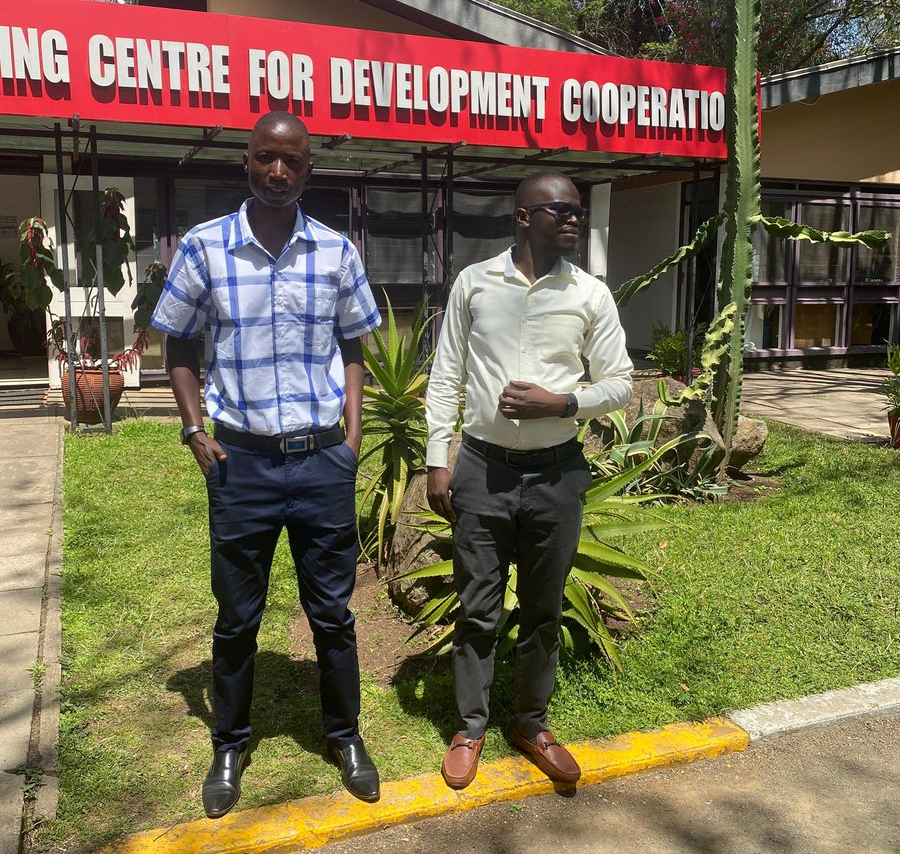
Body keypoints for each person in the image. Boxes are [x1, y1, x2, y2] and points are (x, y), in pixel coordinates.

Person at [152, 112, 382, 817]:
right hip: (241, 464)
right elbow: (179, 347)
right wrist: (196, 431)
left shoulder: (337, 251)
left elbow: (354, 347)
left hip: (320, 462)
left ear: (309, 170)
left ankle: (344, 736)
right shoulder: (205, 248)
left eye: (292, 162)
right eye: (264, 159)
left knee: (333, 615)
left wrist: (351, 436)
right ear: (245, 163)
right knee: (237, 616)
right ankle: (230, 742)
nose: (278, 172)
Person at [425, 171, 633, 790]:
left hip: (556, 475)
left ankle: (531, 723)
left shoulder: (591, 295)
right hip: (482, 470)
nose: (573, 220)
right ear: (522, 217)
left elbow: (620, 380)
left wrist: (561, 403)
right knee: (478, 605)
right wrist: (440, 459)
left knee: (543, 609)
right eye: (559, 210)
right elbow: (446, 375)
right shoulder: (475, 284)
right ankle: (470, 725)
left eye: (578, 211)